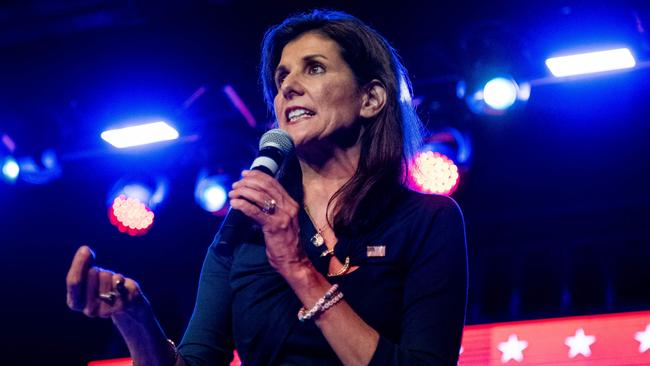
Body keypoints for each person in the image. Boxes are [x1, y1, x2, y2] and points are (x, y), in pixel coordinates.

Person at [66, 9, 468, 366]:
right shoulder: (245, 229)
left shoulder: (427, 220)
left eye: (314, 68)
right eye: (281, 76)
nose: (288, 86)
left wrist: (298, 270)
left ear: (371, 98)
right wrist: (135, 317)